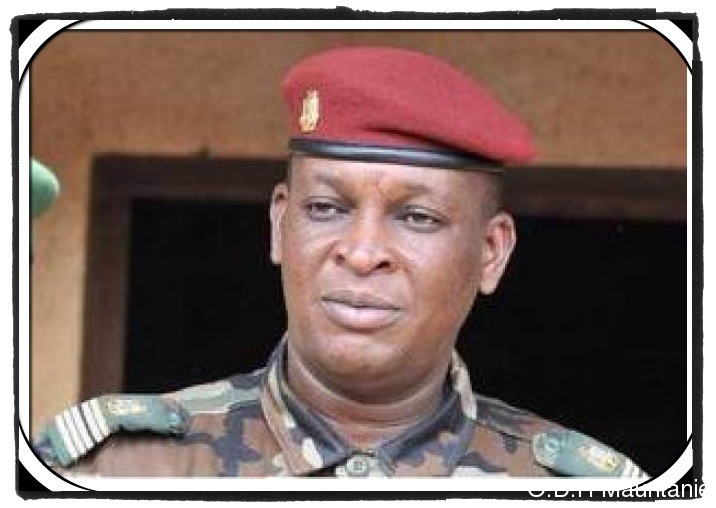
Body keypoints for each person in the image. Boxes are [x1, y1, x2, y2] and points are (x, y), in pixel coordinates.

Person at [33, 46, 650, 479]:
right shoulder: (107, 468)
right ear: (280, 225)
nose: (361, 252)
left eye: (417, 217)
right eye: (327, 208)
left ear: (491, 253)